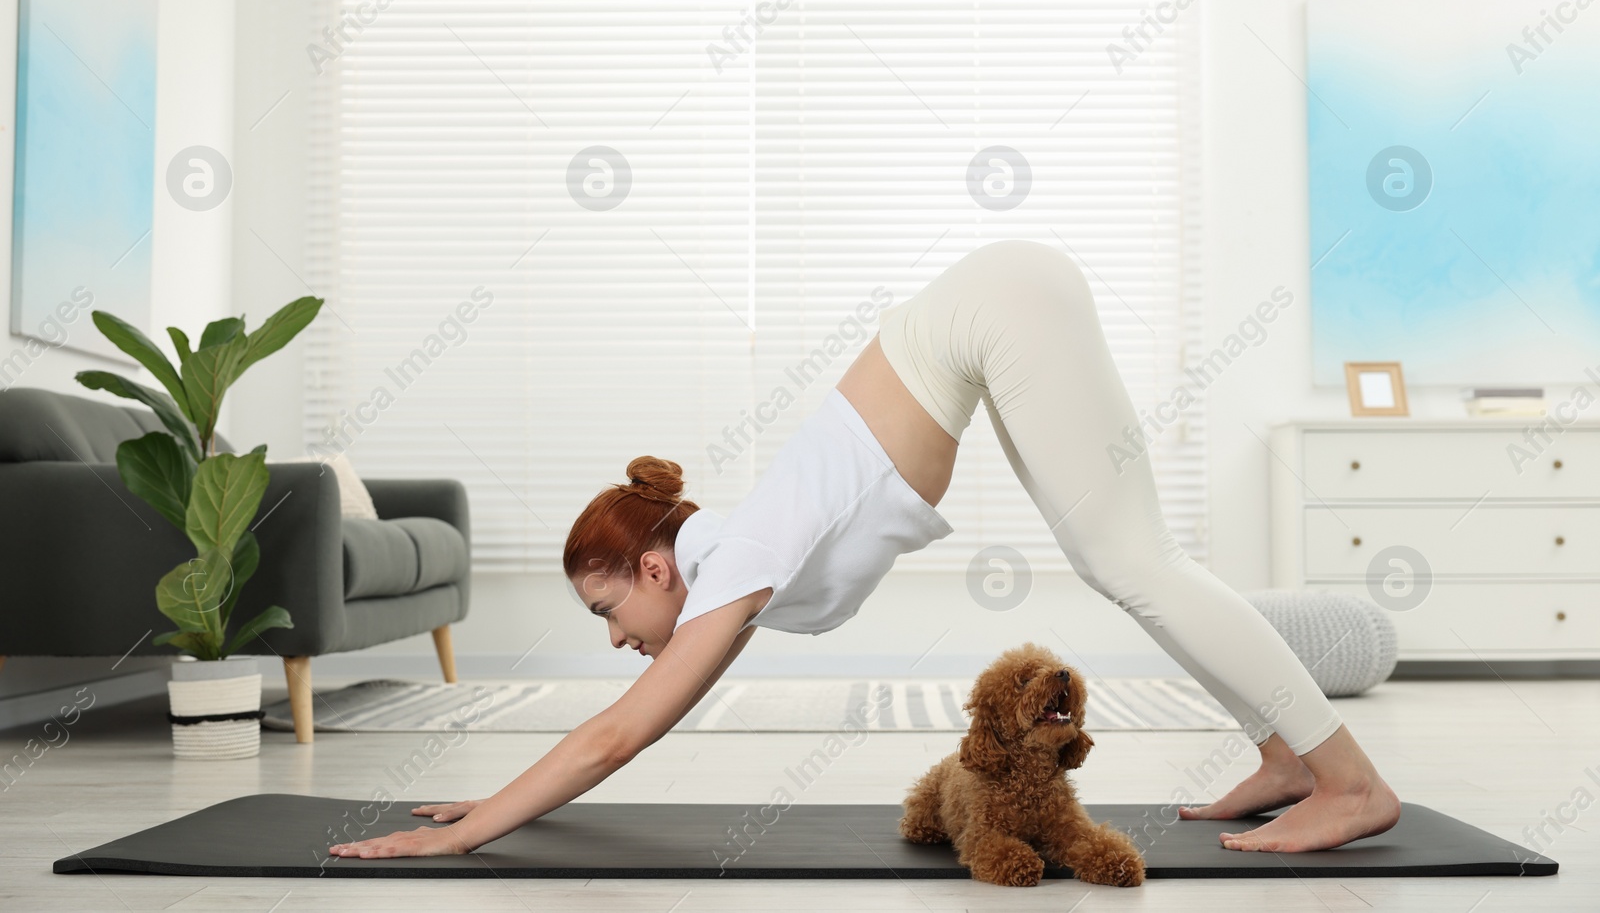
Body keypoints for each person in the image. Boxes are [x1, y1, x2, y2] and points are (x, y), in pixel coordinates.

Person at [328, 238, 1400, 861]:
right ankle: (1286, 754)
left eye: (608, 612)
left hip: (995, 310)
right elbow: (642, 720)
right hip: (989, 315)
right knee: (1120, 556)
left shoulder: (735, 553)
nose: (616, 639)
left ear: (654, 569)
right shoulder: (729, 575)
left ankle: (1346, 778)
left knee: (1132, 559)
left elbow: (617, 736)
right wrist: (496, 801)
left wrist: (451, 837)